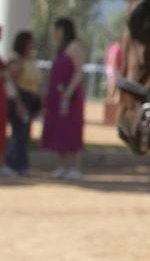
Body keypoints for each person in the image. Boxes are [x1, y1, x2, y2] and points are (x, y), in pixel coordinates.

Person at [41, 17, 87, 180]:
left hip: (70, 98)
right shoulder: (60, 48)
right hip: (56, 97)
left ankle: (74, 167)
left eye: (57, 29)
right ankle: (62, 166)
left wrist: (68, 91)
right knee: (58, 129)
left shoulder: (74, 47)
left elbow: (78, 71)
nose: (54, 32)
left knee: (72, 129)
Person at [4, 31, 41, 177]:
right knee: (18, 133)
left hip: (30, 100)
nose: (32, 44)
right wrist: (19, 103)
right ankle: (14, 164)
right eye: (30, 41)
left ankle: (21, 165)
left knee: (24, 134)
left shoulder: (30, 59)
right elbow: (12, 83)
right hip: (20, 100)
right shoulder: (16, 60)